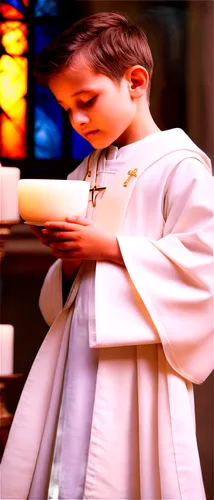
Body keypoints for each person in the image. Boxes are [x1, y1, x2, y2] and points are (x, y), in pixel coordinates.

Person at [1, 11, 213, 500]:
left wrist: (110, 248)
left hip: (137, 364)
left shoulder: (180, 168)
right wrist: (72, 262)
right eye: (64, 108)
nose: (76, 120)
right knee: (66, 464)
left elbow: (204, 266)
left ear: (135, 81)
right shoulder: (85, 171)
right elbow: (68, 288)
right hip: (77, 352)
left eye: (87, 101)